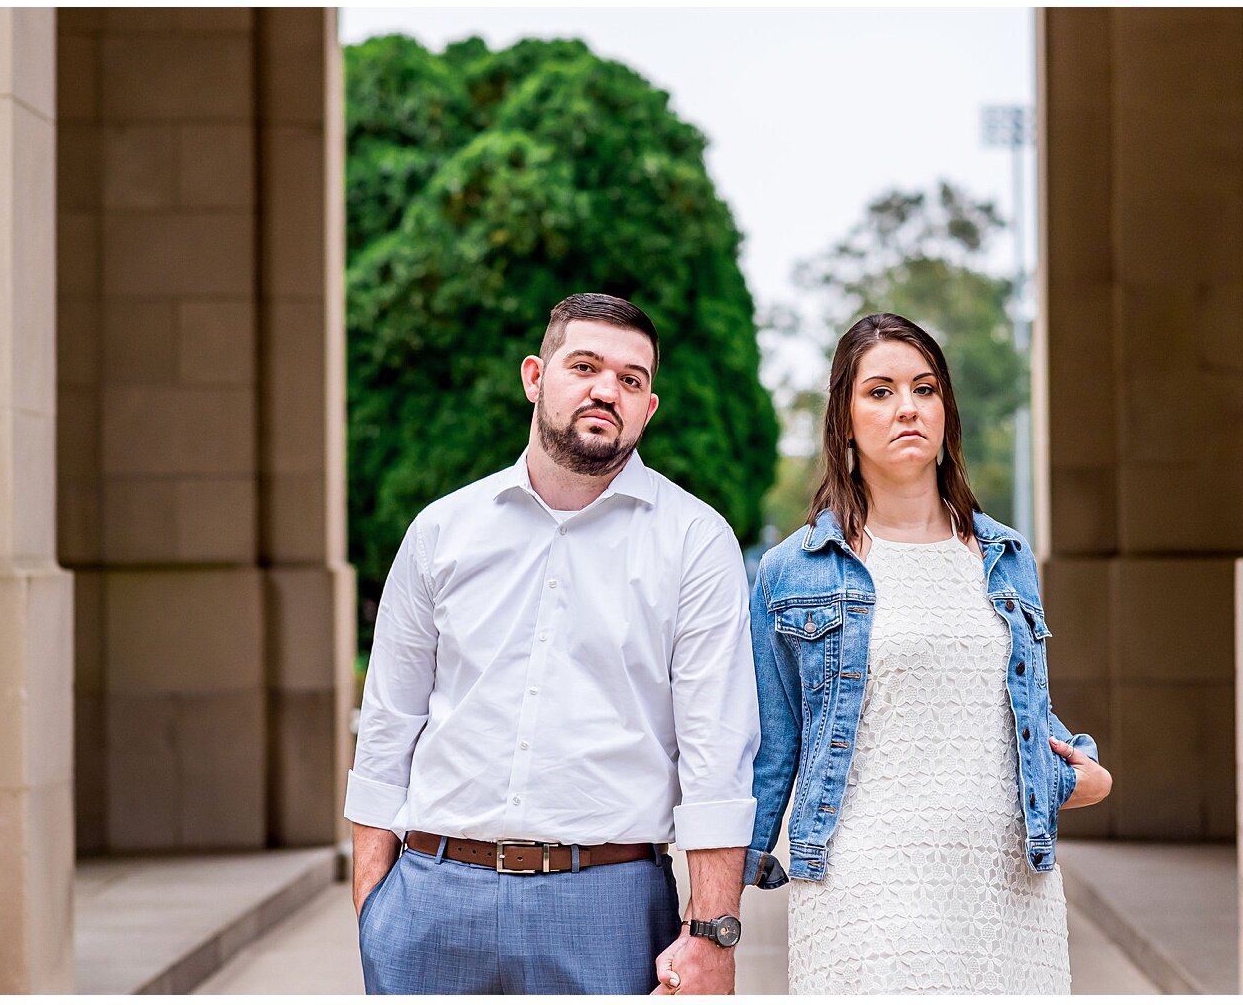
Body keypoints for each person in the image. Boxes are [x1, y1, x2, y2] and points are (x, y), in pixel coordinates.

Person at [346, 292, 757, 995]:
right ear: (536, 377)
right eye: (586, 366)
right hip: (432, 903)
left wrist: (712, 934)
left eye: (632, 379)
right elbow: (388, 726)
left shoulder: (696, 542)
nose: (607, 390)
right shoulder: (442, 532)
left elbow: (717, 755)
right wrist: (375, 909)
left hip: (610, 903)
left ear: (648, 408)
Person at [741, 313, 1112, 994]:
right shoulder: (795, 570)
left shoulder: (1006, 556)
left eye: (925, 388)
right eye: (879, 391)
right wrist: (716, 906)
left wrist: (1083, 768)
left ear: (946, 411)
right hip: (863, 890)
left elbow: (1022, 711)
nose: (907, 407)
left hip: (1009, 885)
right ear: (844, 420)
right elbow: (775, 746)